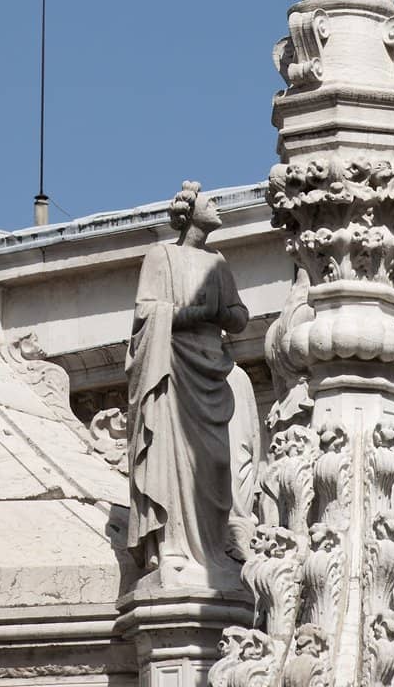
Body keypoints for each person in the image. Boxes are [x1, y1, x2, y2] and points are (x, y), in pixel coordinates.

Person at [127, 181, 250, 591]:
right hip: (174, 367)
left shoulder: (219, 262)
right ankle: (174, 548)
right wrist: (199, 312)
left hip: (211, 372)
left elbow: (238, 313)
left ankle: (213, 551)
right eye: (211, 201)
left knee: (214, 465)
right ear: (190, 211)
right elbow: (147, 313)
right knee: (173, 459)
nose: (218, 206)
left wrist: (226, 315)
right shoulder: (161, 256)